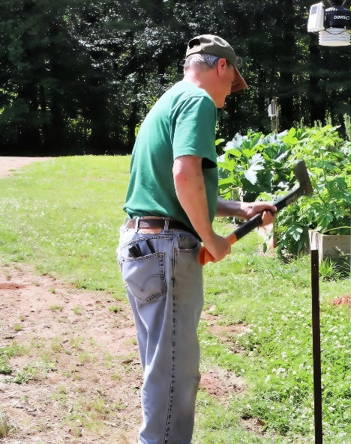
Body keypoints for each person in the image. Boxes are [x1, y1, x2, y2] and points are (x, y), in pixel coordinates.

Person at [117, 34, 275, 443]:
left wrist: (240, 210)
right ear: (221, 66)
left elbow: (176, 192)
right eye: (231, 82)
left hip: (143, 245)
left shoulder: (170, 99)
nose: (229, 94)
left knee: (162, 367)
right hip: (166, 252)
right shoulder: (199, 101)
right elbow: (184, 176)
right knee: (174, 375)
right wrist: (212, 239)